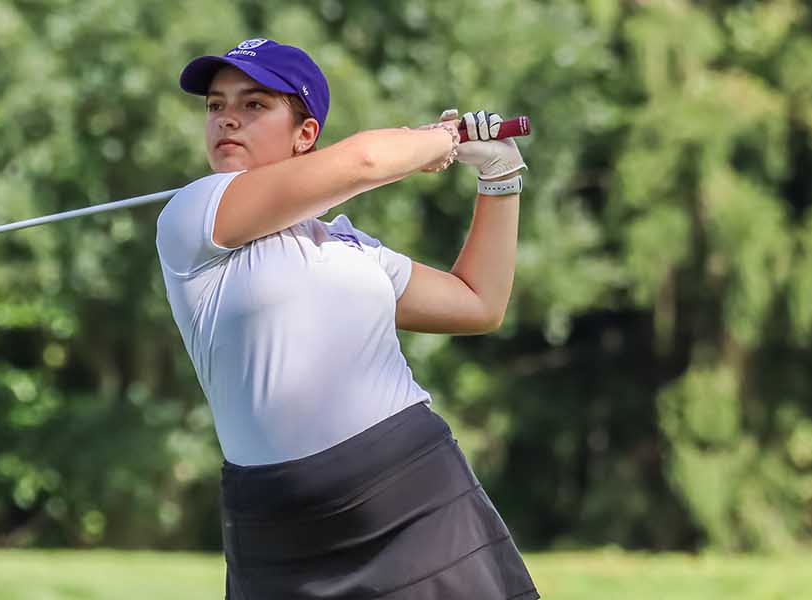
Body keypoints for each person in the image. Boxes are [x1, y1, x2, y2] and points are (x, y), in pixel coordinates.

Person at [155, 38, 537, 599]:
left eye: (254, 105)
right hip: (276, 525)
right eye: (216, 106)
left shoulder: (351, 246)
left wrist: (499, 177)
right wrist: (442, 139)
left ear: (304, 135)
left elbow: (478, 302)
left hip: (414, 496)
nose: (227, 119)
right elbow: (364, 161)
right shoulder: (194, 213)